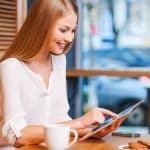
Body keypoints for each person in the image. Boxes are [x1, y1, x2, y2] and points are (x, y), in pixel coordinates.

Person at [0, 0, 121, 148]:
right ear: (42, 25)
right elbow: (17, 136)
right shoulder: (11, 67)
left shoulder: (58, 61)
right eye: (63, 30)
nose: (70, 38)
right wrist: (80, 122)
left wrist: (90, 131)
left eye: (73, 31)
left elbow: (60, 119)